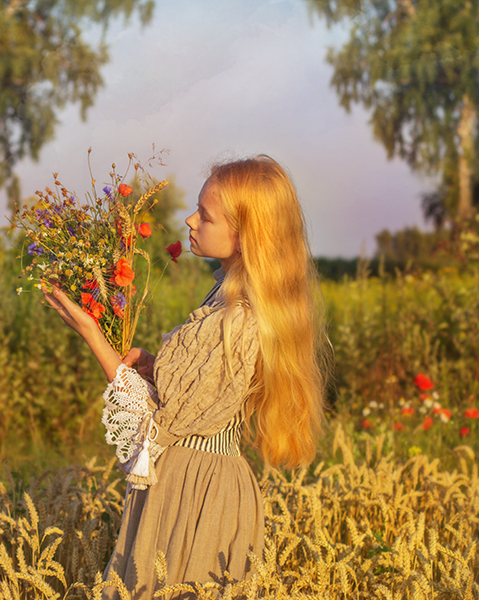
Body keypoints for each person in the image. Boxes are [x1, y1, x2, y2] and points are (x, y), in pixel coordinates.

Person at [43, 155, 328, 598]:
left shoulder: (237, 317)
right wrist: (159, 367)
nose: (191, 220)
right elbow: (209, 398)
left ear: (244, 234)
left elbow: (153, 428)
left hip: (194, 490)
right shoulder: (231, 298)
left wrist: (93, 336)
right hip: (202, 478)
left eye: (206, 214)